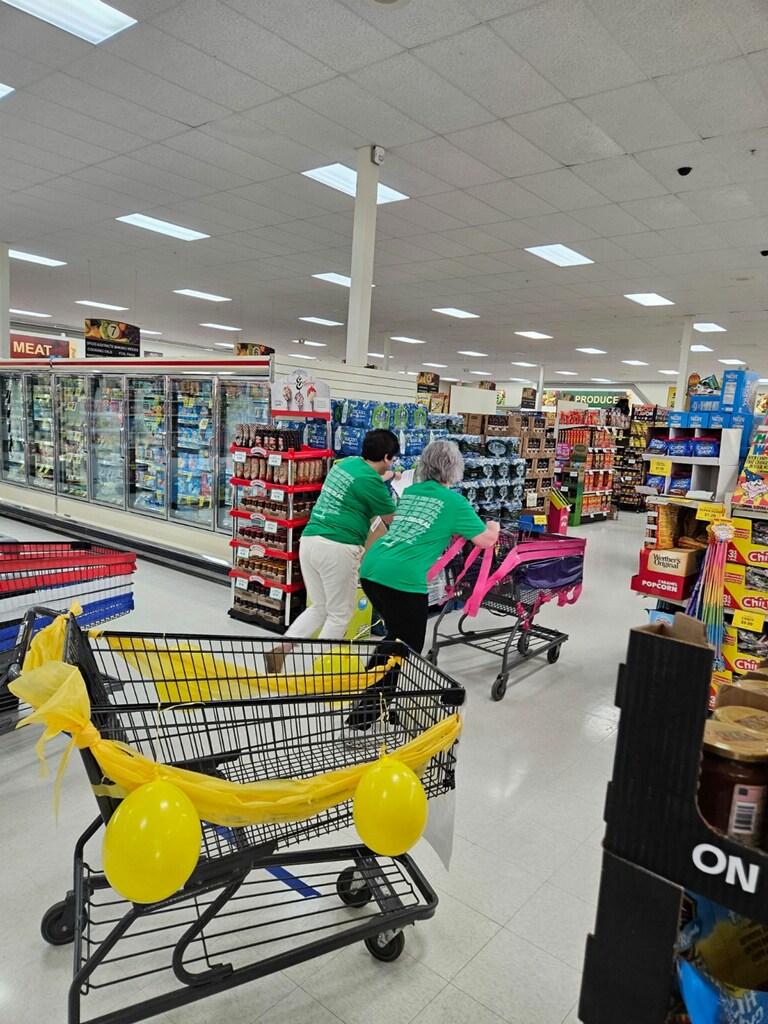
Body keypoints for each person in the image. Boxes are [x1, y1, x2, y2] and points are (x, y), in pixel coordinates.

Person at [346, 440, 499, 728]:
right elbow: (486, 540)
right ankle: (363, 715)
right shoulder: (456, 502)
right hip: (402, 580)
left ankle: (372, 699)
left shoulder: (413, 492)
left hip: (373, 569)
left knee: (395, 637)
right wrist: (494, 526)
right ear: (454, 469)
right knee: (406, 646)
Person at [265, 428, 400, 672]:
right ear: (388, 457)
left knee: (319, 607)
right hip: (338, 547)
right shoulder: (371, 483)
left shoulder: (346, 465)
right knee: (340, 614)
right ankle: (320, 669)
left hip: (310, 541)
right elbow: (392, 517)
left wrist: (388, 476)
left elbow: (365, 482)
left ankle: (282, 647)